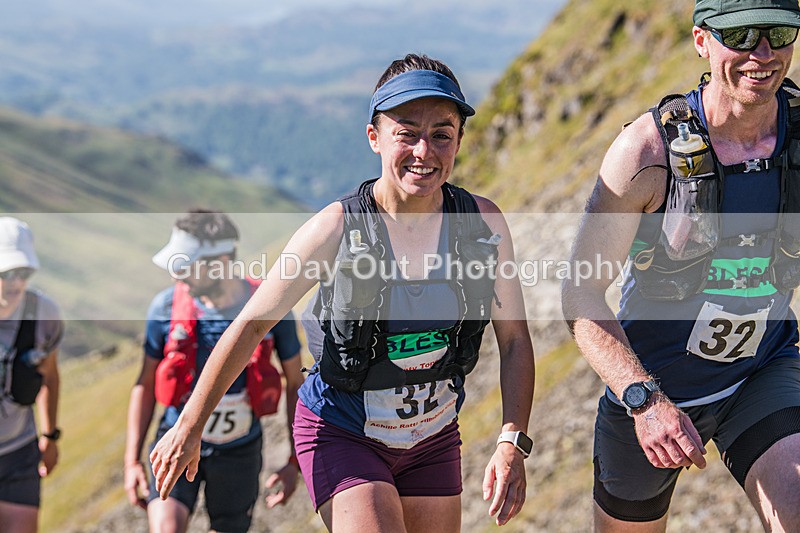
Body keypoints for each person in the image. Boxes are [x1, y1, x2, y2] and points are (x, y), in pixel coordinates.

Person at [149, 54, 535, 531]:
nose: (424, 150)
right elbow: (251, 325)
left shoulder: (481, 222)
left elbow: (514, 339)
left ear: (458, 141)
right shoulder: (335, 228)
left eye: (442, 134)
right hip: (342, 431)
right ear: (374, 137)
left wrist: (511, 440)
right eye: (406, 133)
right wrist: (188, 427)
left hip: (433, 438)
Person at [562, 1, 800, 531]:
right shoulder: (645, 154)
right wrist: (644, 401)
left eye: (780, 32)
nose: (762, 53)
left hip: (762, 371)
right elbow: (579, 294)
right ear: (701, 40)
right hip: (654, 389)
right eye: (739, 35)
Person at [124, 210, 304, 533]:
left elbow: (296, 383)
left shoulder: (271, 309)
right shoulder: (164, 308)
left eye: (184, 266)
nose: (177, 277)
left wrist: (295, 461)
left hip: (240, 451)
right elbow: (145, 384)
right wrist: (132, 459)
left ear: (220, 260)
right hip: (174, 439)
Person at [0, 217, 64, 533]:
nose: (15, 283)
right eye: (6, 273)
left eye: (23, 273)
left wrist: (49, 437)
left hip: (19, 454)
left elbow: (49, 377)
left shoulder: (44, 315)